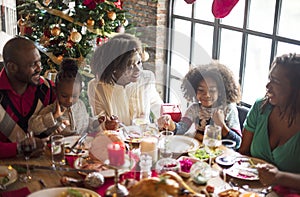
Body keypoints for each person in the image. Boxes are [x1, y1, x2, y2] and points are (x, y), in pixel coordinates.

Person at [239, 53, 300, 191]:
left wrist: (279, 177)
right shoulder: (261, 106)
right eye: (269, 79)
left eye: (276, 82)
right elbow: (243, 152)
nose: (268, 85)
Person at [158, 61, 242, 149]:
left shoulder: (228, 109)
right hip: (200, 152)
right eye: (201, 90)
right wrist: (169, 122)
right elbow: (181, 129)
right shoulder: (194, 109)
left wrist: (221, 124)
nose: (207, 95)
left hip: (222, 156)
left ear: (220, 91)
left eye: (212, 90)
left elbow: (237, 143)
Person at [88, 33, 163, 126]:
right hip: (113, 138)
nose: (138, 70)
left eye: (139, 62)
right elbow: (99, 120)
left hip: (144, 137)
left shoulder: (146, 79)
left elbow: (156, 104)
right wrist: (106, 124)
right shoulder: (96, 87)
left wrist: (165, 117)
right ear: (115, 68)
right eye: (130, 67)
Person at [0, 36, 55, 158]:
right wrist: (19, 148)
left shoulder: (47, 89)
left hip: (46, 169)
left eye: (39, 62)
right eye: (33, 64)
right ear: (12, 67)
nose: (40, 68)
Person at [28, 58, 101, 137]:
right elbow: (32, 128)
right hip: (60, 148)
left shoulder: (81, 105)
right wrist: (53, 116)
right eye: (64, 96)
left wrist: (95, 123)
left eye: (74, 96)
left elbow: (85, 122)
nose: (69, 100)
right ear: (55, 91)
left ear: (80, 92)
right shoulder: (51, 110)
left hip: (81, 146)